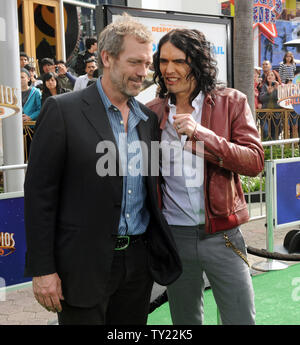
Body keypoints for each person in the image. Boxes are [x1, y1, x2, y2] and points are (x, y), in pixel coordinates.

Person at [24, 14, 181, 325]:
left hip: (138, 265)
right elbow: (39, 196)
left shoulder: (147, 121)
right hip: (81, 265)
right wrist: (43, 270)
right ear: (107, 58)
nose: (144, 73)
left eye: (147, 64)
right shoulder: (62, 111)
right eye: (135, 62)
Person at [146, 28, 264, 325]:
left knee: (240, 318)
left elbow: (254, 161)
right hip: (174, 235)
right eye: (163, 61)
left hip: (223, 235)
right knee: (184, 321)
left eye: (179, 61)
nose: (169, 69)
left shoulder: (231, 102)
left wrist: (202, 135)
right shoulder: (151, 113)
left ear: (197, 61)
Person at [258, 70, 283, 139]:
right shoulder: (264, 86)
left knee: (275, 133)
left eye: (272, 75)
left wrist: (277, 89)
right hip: (264, 113)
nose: (270, 76)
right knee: (265, 131)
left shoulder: (280, 86)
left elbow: (281, 99)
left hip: (276, 113)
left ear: (275, 77)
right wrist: (268, 93)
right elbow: (261, 98)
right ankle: (266, 147)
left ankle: (274, 148)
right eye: (268, 75)